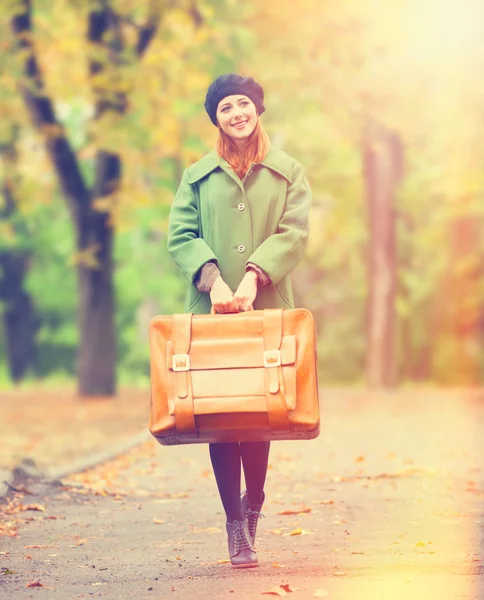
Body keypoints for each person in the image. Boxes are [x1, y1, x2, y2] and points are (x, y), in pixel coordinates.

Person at [167, 74, 311, 568]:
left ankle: (257, 500)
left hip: (267, 309)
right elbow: (181, 234)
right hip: (212, 313)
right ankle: (234, 522)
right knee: (222, 418)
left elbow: (294, 232)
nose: (236, 113)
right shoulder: (197, 176)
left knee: (259, 414)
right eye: (225, 107)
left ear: (258, 109)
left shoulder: (288, 172)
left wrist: (254, 277)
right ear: (217, 119)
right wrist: (215, 280)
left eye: (243, 103)